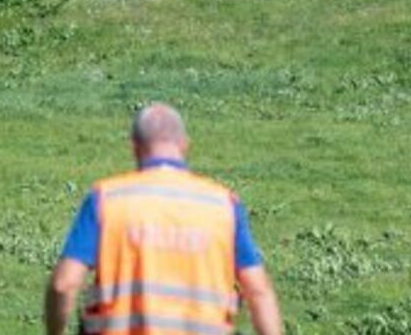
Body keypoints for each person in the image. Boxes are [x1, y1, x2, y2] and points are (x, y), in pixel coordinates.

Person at [44, 104, 284, 335]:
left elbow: (64, 284)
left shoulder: (107, 199)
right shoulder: (222, 205)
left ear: (134, 147)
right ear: (184, 145)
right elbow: (258, 291)